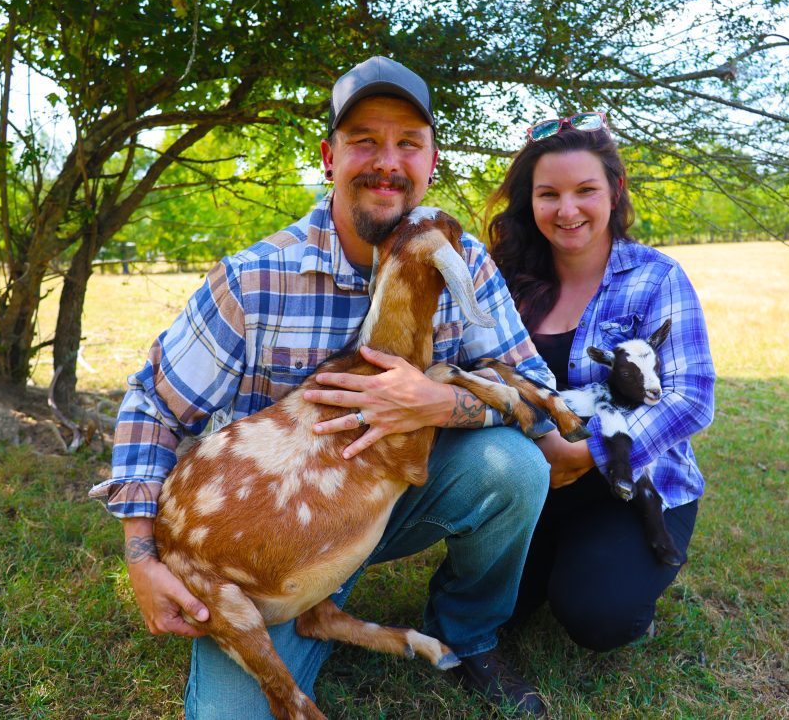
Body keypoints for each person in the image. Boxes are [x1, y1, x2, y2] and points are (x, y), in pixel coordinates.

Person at [89, 57, 554, 718]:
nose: (386, 162)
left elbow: (531, 384)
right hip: (277, 546)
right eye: (364, 140)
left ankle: (470, 631)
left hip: (395, 503)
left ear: (432, 160)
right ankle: (311, 615)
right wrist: (141, 553)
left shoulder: (461, 260)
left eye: (407, 144)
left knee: (514, 468)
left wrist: (439, 401)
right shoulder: (256, 277)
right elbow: (152, 407)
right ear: (329, 156)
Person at [486, 114, 716, 651]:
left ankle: (611, 576)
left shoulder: (656, 277)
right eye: (549, 194)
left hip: (632, 489)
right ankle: (551, 555)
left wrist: (587, 453)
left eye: (585, 190)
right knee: (479, 608)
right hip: (531, 484)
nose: (567, 210)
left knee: (598, 614)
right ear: (530, 201)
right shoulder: (506, 280)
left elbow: (692, 397)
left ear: (614, 190)